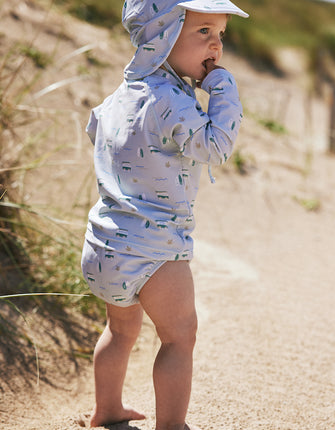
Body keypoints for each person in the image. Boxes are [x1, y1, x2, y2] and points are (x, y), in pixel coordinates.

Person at [80, 1, 248, 429]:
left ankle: (108, 409)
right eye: (203, 31)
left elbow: (96, 132)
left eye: (221, 34)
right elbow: (215, 147)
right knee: (179, 336)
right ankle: (171, 426)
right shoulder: (171, 99)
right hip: (154, 248)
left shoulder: (120, 95)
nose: (216, 44)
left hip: (104, 241)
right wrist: (224, 90)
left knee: (119, 332)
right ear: (161, 35)